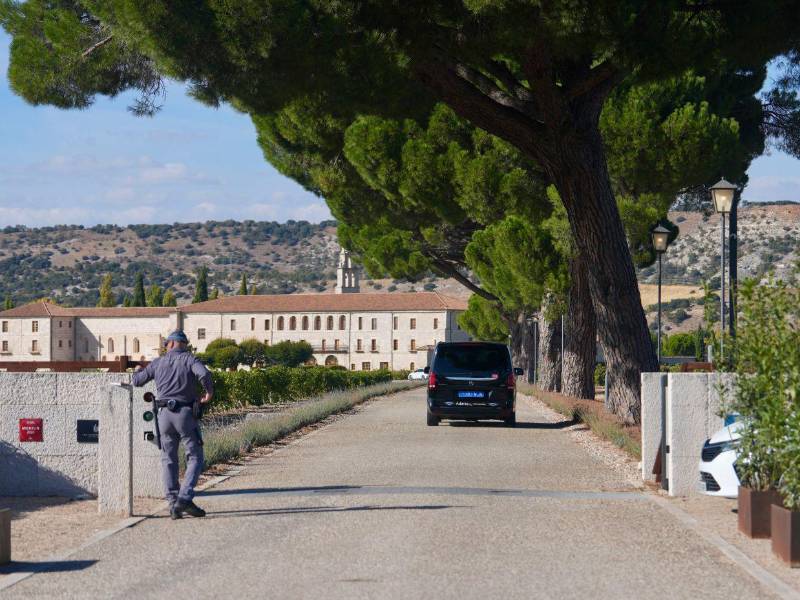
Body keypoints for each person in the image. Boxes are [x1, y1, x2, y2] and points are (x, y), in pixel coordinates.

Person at [133, 330, 214, 520]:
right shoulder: (189, 359)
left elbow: (137, 381)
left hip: (164, 416)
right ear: (183, 344)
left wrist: (137, 369)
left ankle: (173, 503)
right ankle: (184, 498)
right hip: (184, 414)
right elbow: (203, 374)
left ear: (169, 344)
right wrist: (209, 392)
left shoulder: (158, 362)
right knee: (195, 456)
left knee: (168, 459)